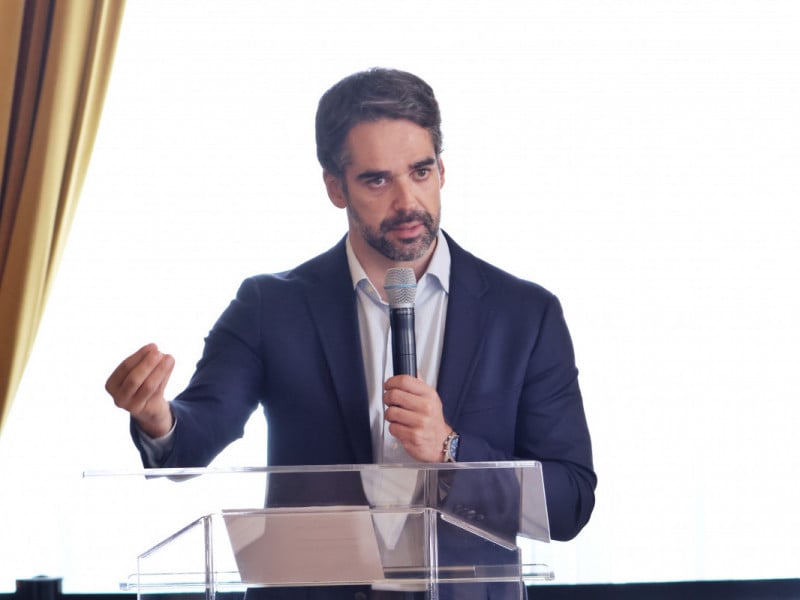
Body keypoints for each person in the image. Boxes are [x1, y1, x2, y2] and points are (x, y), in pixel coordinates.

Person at [105, 68, 596, 599]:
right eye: (377, 180)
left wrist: (450, 448)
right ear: (335, 188)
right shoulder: (270, 307)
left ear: (442, 170)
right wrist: (156, 419)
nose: (407, 202)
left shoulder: (524, 314)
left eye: (421, 172)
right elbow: (190, 442)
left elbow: (569, 503)